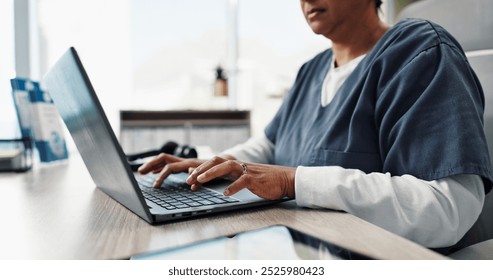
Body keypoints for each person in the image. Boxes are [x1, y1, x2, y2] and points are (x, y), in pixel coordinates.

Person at [139, 0, 493, 252]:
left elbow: (450, 210)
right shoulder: (311, 71)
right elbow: (268, 145)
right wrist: (214, 164)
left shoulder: (420, 52)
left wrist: (294, 181)